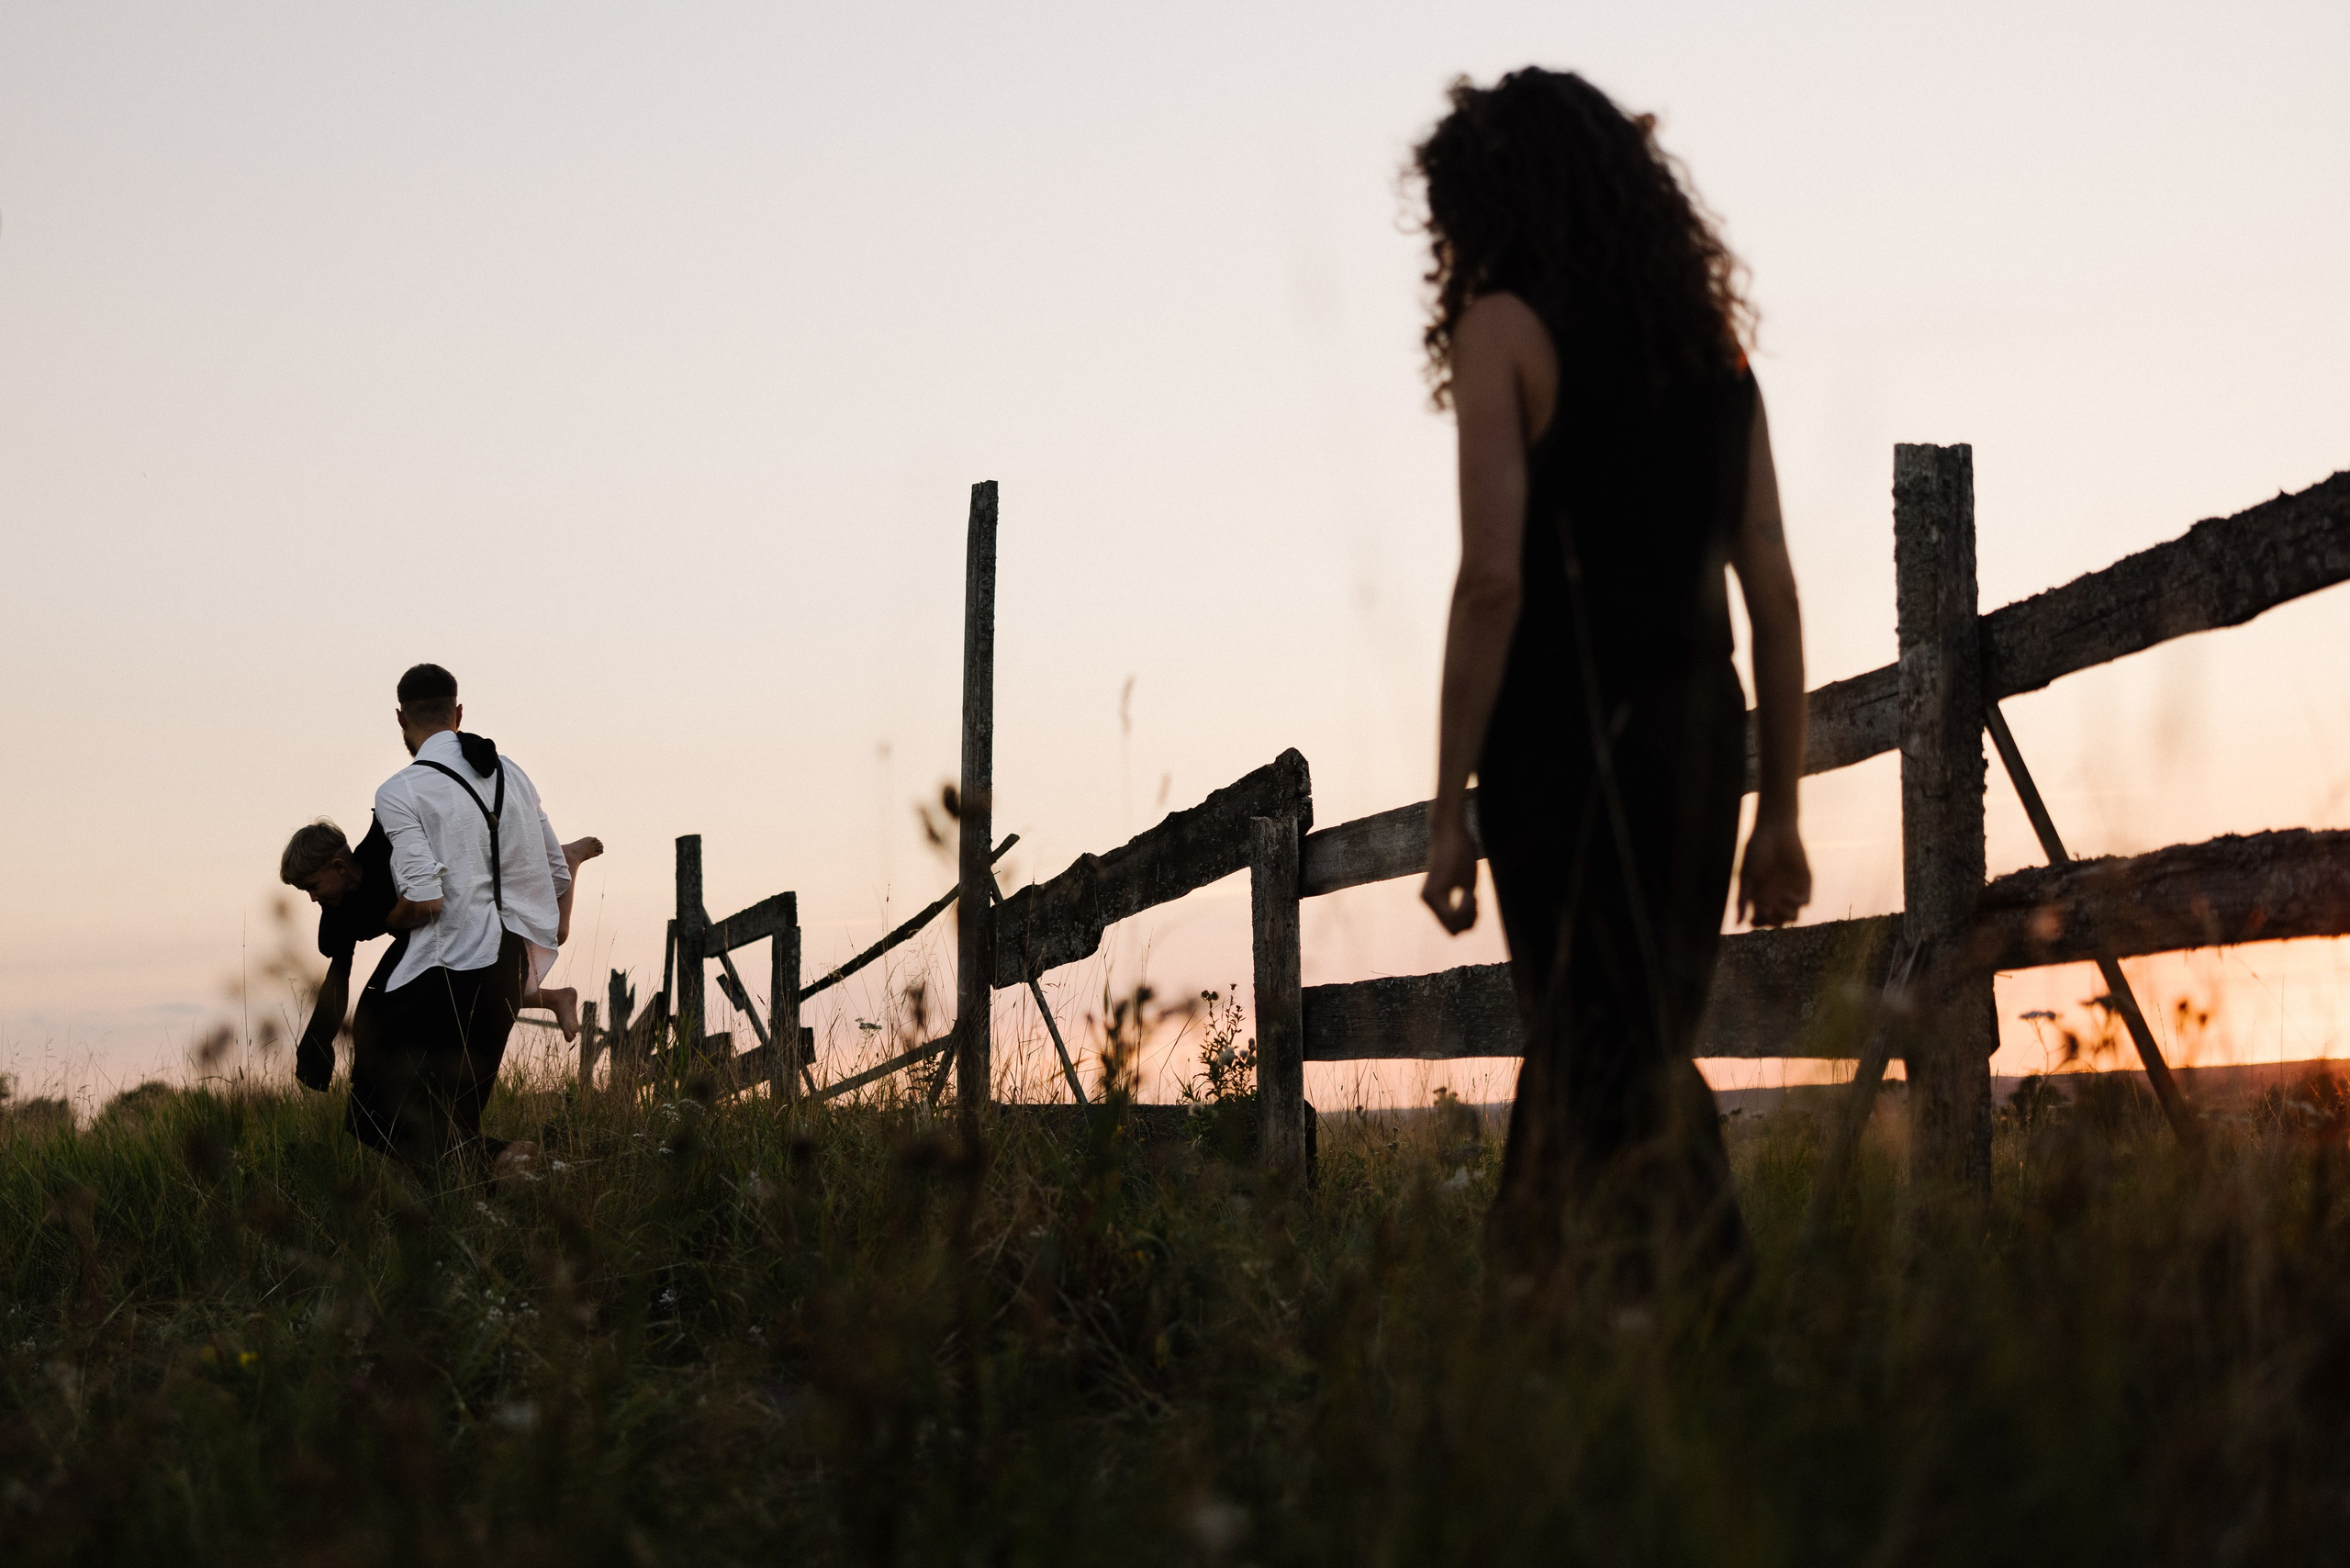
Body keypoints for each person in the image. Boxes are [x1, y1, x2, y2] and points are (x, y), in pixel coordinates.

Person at [1412, 71, 1812, 1305]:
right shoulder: (1715, 352)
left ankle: (1718, 1339)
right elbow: (1775, 589)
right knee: (1620, 1049)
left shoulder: (1501, 331)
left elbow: (1492, 585)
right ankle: (1562, 1345)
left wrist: (1446, 810)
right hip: (1700, 742)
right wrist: (1781, 811)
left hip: (1560, 754)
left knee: (1608, 1053)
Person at [343, 663, 578, 1172]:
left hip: (447, 968)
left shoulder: (400, 791)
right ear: (459, 712)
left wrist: (389, 917)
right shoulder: (513, 774)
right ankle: (512, 1187)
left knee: (373, 1113)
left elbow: (426, 900)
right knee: (454, 1119)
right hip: (511, 966)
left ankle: (512, 1162)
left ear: (401, 718)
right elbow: (556, 873)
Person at [282, 820, 604, 1088]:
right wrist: (317, 1047)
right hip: (434, 942)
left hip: (465, 902)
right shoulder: (339, 915)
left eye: (312, 887)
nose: (312, 899)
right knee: (473, 990)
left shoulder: (385, 846)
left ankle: (567, 858)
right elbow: (338, 973)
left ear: (338, 866)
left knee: (558, 933)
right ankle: (554, 998)